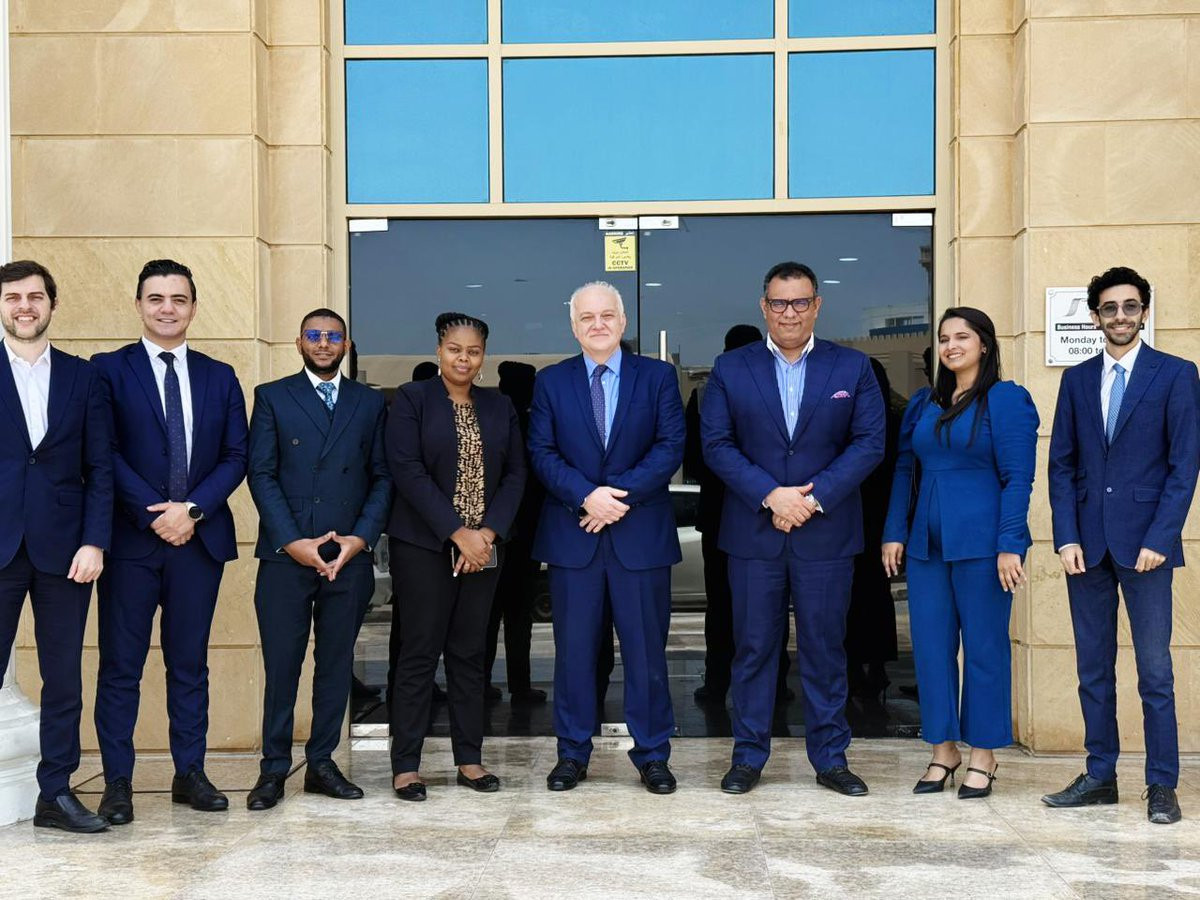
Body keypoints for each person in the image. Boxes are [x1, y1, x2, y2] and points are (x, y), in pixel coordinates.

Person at [702, 261, 884, 796]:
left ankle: (831, 759)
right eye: (779, 303)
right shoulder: (730, 368)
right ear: (764, 307)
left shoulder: (852, 367)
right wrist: (771, 494)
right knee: (754, 649)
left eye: (800, 302)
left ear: (817, 306)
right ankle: (747, 757)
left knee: (825, 650)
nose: (789, 313)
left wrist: (812, 497)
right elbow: (716, 444)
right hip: (754, 534)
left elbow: (869, 443)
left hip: (825, 533)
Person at [91, 259, 249, 824]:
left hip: (198, 543)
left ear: (193, 308)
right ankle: (117, 782)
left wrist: (193, 511)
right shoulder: (108, 370)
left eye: (178, 299)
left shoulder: (219, 376)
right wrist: (154, 513)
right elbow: (103, 451)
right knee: (121, 667)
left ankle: (190, 773)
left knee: (189, 664)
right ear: (138, 305)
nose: (167, 308)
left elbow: (236, 455)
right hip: (131, 543)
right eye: (155, 298)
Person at [1042, 266, 1200, 825]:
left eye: (1130, 306)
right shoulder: (1077, 379)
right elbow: (1061, 465)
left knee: (1155, 673)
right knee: (1093, 669)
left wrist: (1161, 536)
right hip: (1086, 548)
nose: (1120, 316)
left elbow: (1184, 465)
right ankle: (1100, 776)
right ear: (1095, 317)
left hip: (1148, 548)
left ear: (1144, 312)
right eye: (1109, 308)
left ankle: (1162, 784)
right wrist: (1066, 536)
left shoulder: (1176, 374)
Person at [529, 281, 684, 795]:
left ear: (623, 321)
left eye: (607, 315)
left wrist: (614, 498)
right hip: (575, 538)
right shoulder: (551, 382)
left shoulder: (657, 377)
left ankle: (653, 755)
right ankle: (572, 753)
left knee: (646, 655)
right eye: (587, 317)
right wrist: (585, 497)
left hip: (639, 538)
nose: (597, 324)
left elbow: (670, 446)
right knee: (574, 655)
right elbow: (542, 451)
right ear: (573, 327)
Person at [882, 308, 1038, 799]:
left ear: (984, 344)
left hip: (984, 545)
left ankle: (983, 755)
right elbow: (905, 470)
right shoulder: (924, 404)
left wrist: (1010, 544)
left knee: (985, 650)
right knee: (930, 650)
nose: (952, 346)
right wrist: (894, 531)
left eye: (962, 337)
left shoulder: (1006, 400)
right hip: (927, 545)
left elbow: (1018, 478)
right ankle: (943, 750)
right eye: (945, 338)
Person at [244, 309, 392, 810]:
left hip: (347, 556)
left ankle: (323, 763)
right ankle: (273, 769)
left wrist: (360, 538)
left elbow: (382, 476)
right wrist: (293, 542)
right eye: (314, 335)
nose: (324, 343)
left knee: (335, 664)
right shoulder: (272, 396)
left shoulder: (369, 402)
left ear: (346, 346)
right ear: (299, 342)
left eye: (333, 336)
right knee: (282, 665)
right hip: (286, 557)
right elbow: (261, 474)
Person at [385, 313, 526, 801]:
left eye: (473, 351)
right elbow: (407, 469)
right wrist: (457, 533)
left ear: (483, 356)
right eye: (454, 349)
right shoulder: (412, 399)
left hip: (483, 548)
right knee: (419, 652)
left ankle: (470, 759)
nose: (463, 358)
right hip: (424, 546)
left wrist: (485, 534)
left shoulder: (500, 406)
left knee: (470, 654)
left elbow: (516, 474)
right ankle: (406, 765)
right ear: (439, 350)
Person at [0, 261, 113, 833]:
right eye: (13, 297)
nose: (25, 306)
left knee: (64, 678)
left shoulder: (82, 377)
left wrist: (95, 541)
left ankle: (56, 794)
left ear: (52, 304)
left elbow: (100, 468)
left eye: (35, 297)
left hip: (66, 552)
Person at [685, 325, 792, 708]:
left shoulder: (703, 394)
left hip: (723, 511)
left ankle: (717, 683)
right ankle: (775, 685)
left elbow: (693, 460)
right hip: (764, 510)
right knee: (773, 604)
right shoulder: (777, 386)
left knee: (723, 606)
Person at [485, 360, 547, 704]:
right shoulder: (530, 424)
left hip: (496, 532)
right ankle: (519, 686)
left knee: (489, 614)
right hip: (517, 534)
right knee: (517, 617)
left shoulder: (493, 420)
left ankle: (482, 683)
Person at [846, 358, 900, 701]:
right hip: (881, 520)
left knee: (852, 597)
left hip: (857, 518)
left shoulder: (856, 424)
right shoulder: (894, 421)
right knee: (878, 595)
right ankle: (876, 667)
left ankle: (855, 668)